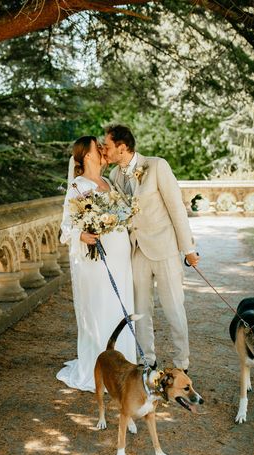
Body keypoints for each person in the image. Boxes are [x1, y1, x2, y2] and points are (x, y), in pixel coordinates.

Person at [104, 124, 199, 373]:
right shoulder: (114, 176)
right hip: (136, 251)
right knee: (141, 309)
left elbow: (176, 208)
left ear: (122, 147)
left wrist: (188, 248)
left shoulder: (157, 166)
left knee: (173, 308)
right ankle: (148, 359)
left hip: (165, 248)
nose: (105, 149)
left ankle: (182, 363)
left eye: (108, 145)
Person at [57, 135, 137, 392]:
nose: (103, 151)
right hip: (96, 261)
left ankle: (123, 364)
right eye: (97, 148)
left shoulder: (108, 182)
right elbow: (65, 227)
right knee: (101, 308)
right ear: (87, 155)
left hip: (120, 258)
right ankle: (101, 369)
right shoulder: (78, 186)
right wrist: (82, 234)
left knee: (120, 305)